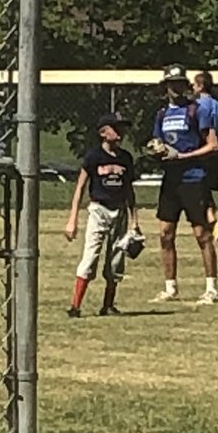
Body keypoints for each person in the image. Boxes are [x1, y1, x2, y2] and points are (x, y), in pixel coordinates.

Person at [152, 64, 218, 305]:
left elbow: (213, 145)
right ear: (165, 87)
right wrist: (157, 151)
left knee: (201, 234)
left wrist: (183, 157)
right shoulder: (161, 115)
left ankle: (211, 287)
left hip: (193, 178)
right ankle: (170, 287)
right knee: (165, 233)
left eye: (181, 83)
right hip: (171, 181)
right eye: (172, 84)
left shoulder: (196, 110)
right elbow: (157, 141)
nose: (177, 88)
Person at [64, 112, 139, 317]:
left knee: (116, 260)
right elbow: (80, 187)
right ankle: (75, 306)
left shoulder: (125, 158)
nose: (120, 132)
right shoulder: (94, 157)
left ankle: (108, 305)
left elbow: (129, 191)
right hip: (99, 209)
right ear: (103, 133)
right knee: (90, 256)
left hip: (120, 211)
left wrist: (134, 222)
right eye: (116, 128)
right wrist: (73, 219)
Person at [193, 70, 218, 244]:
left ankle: (213, 222)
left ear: (200, 86)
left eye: (194, 84)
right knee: (206, 190)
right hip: (217, 154)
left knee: (201, 191)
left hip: (202, 153)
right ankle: (212, 222)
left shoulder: (198, 106)